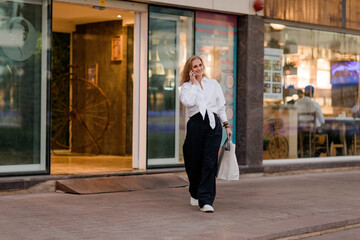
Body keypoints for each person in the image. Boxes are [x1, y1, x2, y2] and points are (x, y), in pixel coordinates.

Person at [180, 55, 232, 213]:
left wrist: (226, 126)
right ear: (190, 70)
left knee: (209, 162)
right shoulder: (187, 86)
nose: (199, 68)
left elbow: (220, 107)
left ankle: (206, 200)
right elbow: (188, 102)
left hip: (213, 124)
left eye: (200, 65)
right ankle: (195, 191)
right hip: (196, 124)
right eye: (195, 66)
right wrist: (194, 84)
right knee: (193, 161)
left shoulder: (213, 84)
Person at [295, 85, 325, 157]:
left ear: (304, 92)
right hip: (312, 130)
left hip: (300, 129)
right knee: (328, 132)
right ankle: (319, 150)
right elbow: (322, 120)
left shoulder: (297, 103)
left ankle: (303, 150)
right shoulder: (315, 104)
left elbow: (294, 118)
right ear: (312, 93)